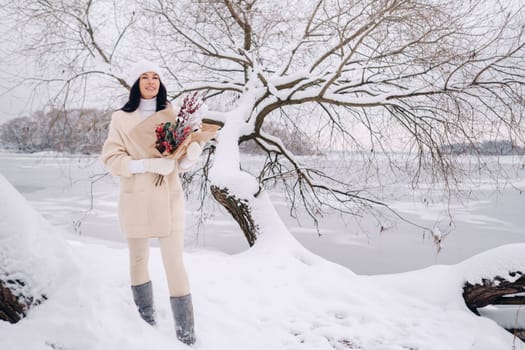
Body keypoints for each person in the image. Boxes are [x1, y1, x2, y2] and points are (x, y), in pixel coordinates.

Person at [100, 60, 201, 345]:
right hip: (136, 197)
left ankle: (187, 335)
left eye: (155, 76)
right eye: (144, 77)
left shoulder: (172, 113)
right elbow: (110, 158)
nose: (150, 81)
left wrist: (189, 157)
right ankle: (144, 323)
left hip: (169, 197)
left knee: (174, 262)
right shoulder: (120, 118)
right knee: (138, 258)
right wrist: (145, 165)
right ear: (135, 84)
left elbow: (177, 161)